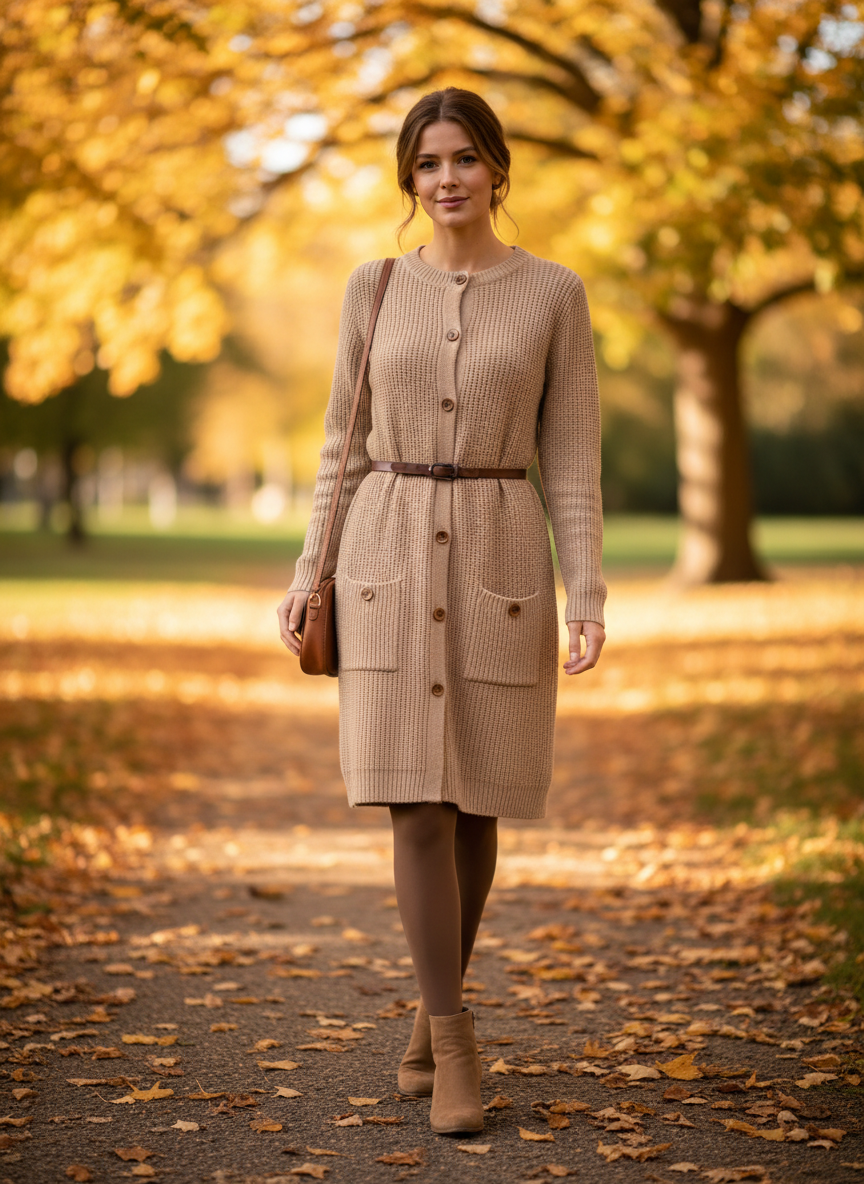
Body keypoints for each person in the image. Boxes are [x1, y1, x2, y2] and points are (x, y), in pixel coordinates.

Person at [277, 86, 606, 1135]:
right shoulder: (372, 288)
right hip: (386, 552)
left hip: (501, 554)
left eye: (464, 158)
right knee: (414, 802)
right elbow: (341, 444)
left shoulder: (555, 293)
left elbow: (574, 457)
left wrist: (588, 591)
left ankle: (429, 1017)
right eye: (427, 163)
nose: (447, 178)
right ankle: (456, 1039)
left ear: (498, 169)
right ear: (409, 180)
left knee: (476, 801)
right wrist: (309, 569)